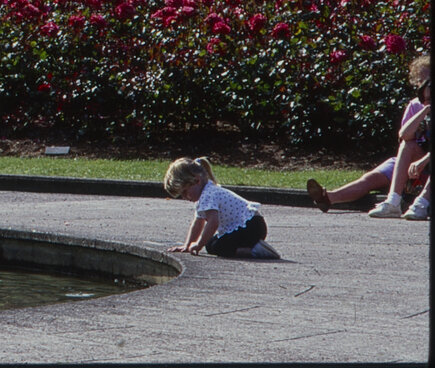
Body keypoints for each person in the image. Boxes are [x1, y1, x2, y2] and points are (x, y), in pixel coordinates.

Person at [306, 54, 431, 220]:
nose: (425, 83)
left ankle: (421, 204)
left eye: (428, 78)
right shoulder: (415, 105)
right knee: (373, 177)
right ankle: (329, 197)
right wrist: (424, 110)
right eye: (421, 79)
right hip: (409, 160)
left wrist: (422, 162)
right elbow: (403, 135)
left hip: (427, 161)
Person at [164, 157, 279, 258]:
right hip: (252, 225)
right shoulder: (205, 194)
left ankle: (255, 251)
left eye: (185, 191)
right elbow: (198, 223)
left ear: (197, 181)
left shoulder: (208, 194)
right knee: (210, 244)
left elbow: (213, 222)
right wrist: (188, 245)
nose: (184, 197)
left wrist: (198, 245)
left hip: (251, 227)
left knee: (220, 247)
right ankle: (252, 246)